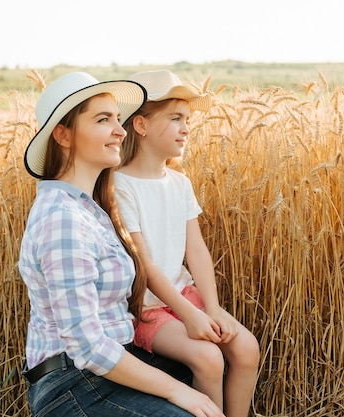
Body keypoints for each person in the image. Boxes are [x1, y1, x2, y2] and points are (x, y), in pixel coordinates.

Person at [19, 71, 224, 417]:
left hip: (111, 368)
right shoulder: (63, 218)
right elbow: (88, 347)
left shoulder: (92, 208)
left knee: (216, 362)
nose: (121, 130)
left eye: (118, 119)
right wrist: (179, 392)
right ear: (63, 135)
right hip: (75, 386)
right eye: (103, 120)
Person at [114, 70, 260, 417]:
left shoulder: (179, 183)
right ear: (141, 125)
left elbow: (196, 251)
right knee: (209, 357)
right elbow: (144, 265)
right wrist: (188, 315)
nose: (186, 127)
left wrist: (210, 307)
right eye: (175, 118)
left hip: (188, 295)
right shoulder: (120, 185)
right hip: (147, 308)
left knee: (247, 348)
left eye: (188, 120)